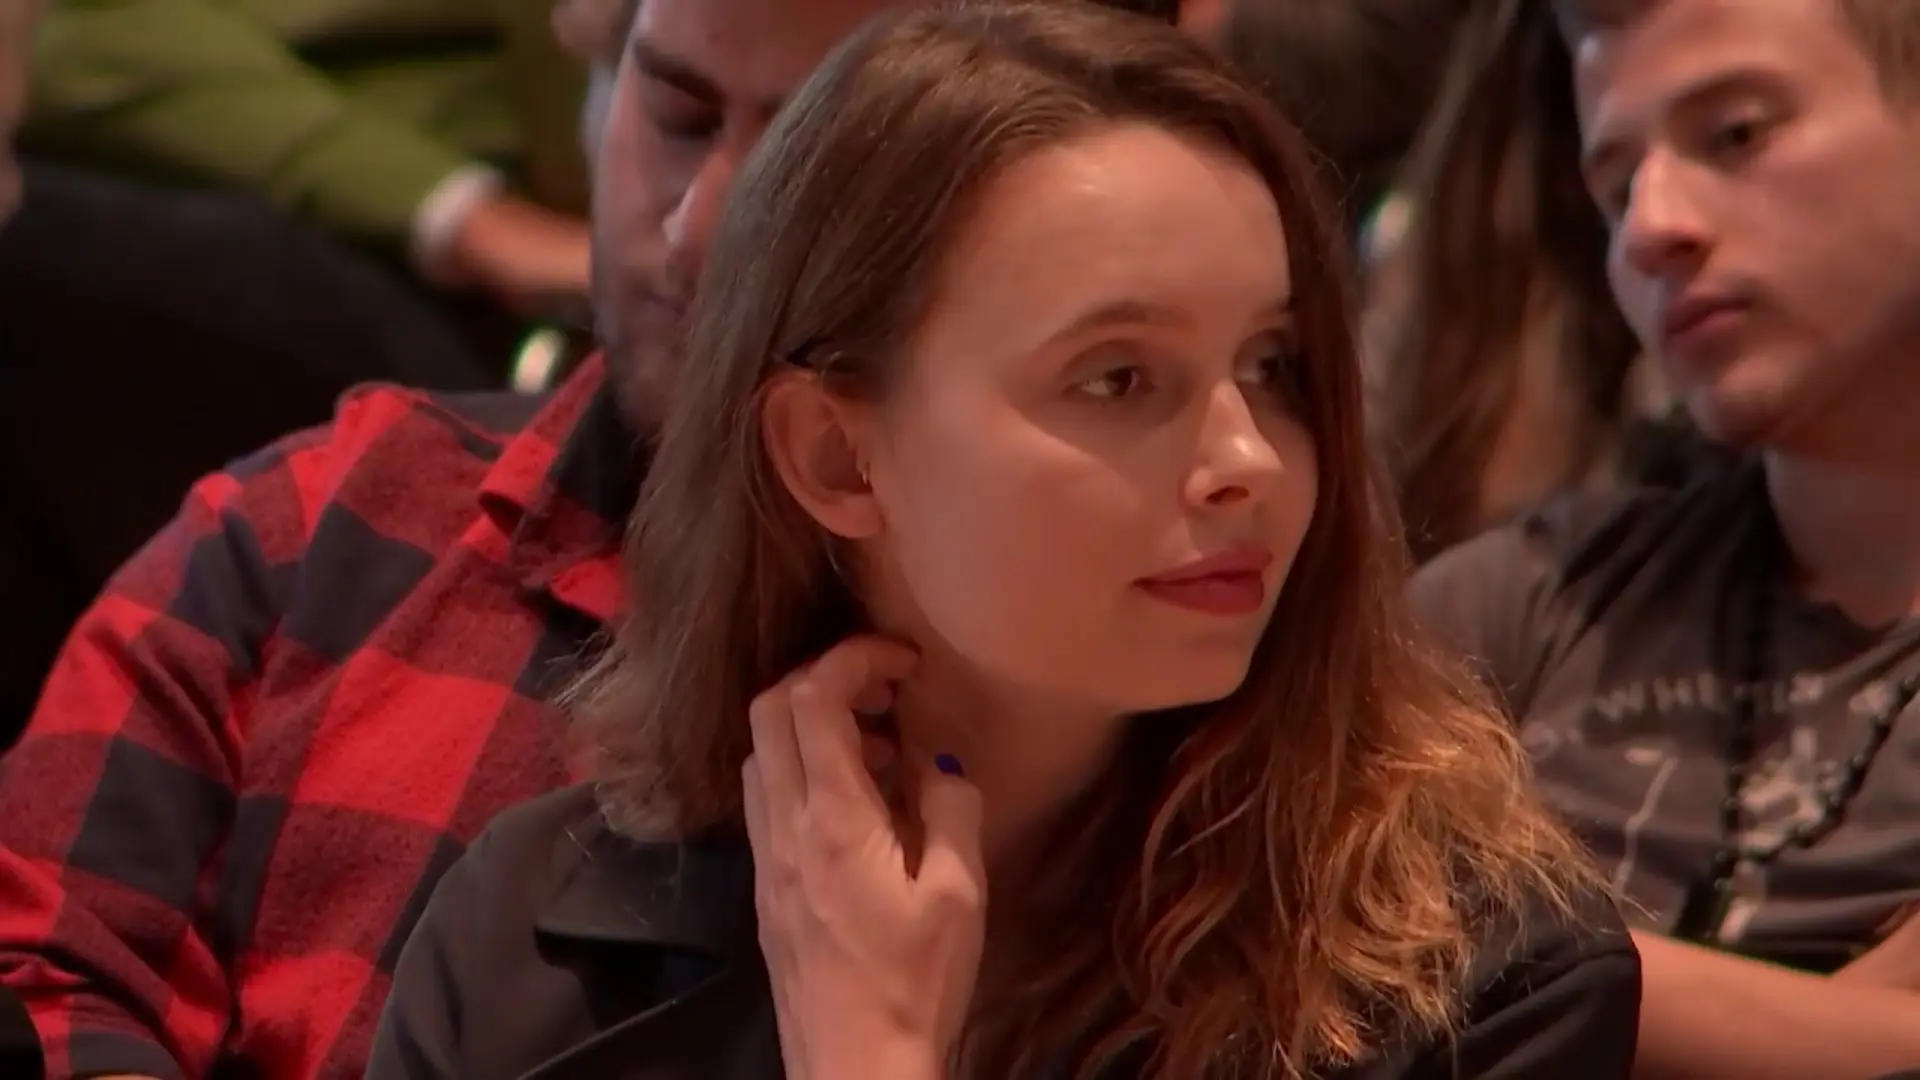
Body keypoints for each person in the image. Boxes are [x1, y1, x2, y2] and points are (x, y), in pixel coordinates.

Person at [367, 6, 1637, 1079]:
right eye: (1118, 378)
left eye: (1272, 365)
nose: (1249, 458)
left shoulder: (1491, 989)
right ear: (836, 459)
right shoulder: (526, 936)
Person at [0, 2, 1188, 1079]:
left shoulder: (1146, 669)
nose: (699, 224)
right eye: (676, 114)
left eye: (816, 162)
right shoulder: (320, 528)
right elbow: (42, 974)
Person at [1411, 0, 1920, 1075]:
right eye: (1614, 188)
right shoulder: (1533, 600)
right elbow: (1275, 918)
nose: (1650, 228)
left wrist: (1515, 973)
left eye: (1735, 134)